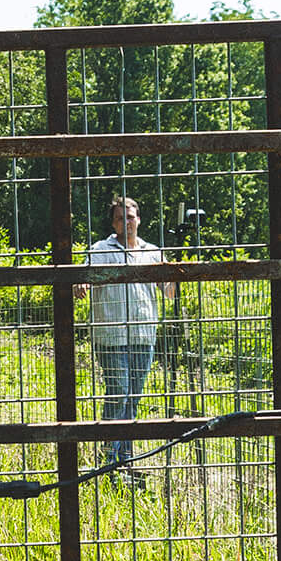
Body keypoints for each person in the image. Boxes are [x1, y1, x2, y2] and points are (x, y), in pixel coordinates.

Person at [86, 195, 171, 475]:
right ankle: (107, 460)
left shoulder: (152, 252)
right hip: (112, 335)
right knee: (118, 393)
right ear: (114, 223)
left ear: (139, 220)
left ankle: (124, 460)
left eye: (131, 216)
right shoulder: (100, 250)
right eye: (121, 218)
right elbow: (82, 278)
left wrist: (174, 276)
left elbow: (169, 290)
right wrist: (80, 285)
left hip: (143, 334)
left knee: (132, 397)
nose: (127, 222)